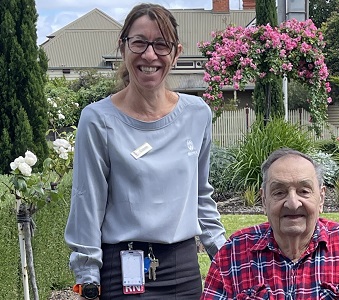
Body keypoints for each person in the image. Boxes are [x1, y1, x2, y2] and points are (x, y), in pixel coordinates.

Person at [64, 3, 226, 299]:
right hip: (119, 271)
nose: (149, 55)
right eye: (139, 42)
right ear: (123, 48)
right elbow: (87, 202)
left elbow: (201, 195)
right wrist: (87, 277)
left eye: (161, 45)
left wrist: (224, 258)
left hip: (183, 272)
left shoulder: (196, 114)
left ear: (176, 53)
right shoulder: (98, 120)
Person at [201, 148, 339, 299]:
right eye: (279, 192)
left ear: (321, 198)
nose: (293, 203)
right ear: (264, 200)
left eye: (303, 191)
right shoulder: (234, 252)